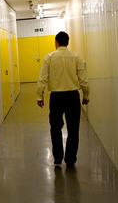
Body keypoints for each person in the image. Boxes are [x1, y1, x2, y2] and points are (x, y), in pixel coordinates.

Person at [37, 31, 90, 168]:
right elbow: (83, 80)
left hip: (56, 98)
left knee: (55, 127)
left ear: (56, 42)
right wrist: (86, 96)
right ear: (68, 42)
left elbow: (42, 78)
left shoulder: (49, 58)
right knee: (73, 129)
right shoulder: (76, 57)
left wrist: (40, 96)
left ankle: (58, 157)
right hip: (73, 97)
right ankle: (71, 159)